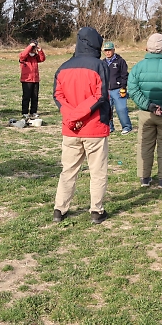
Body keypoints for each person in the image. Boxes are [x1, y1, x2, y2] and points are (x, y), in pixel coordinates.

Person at [52, 27, 112, 225]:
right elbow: (100, 95)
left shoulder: (63, 67)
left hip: (71, 129)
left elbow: (58, 96)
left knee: (68, 170)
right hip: (94, 127)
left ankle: (59, 209)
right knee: (97, 172)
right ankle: (96, 210)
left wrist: (72, 117)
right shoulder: (100, 66)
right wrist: (79, 115)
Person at [127, 33, 162, 189]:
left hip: (146, 114)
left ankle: (144, 178)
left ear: (146, 48)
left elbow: (133, 89)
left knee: (145, 144)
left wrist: (148, 105)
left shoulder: (137, 68)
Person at [103, 41, 133, 134]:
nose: (108, 52)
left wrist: (123, 87)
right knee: (107, 110)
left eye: (109, 50)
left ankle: (126, 127)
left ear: (114, 50)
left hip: (118, 89)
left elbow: (124, 75)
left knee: (121, 109)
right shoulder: (102, 62)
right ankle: (110, 127)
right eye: (106, 50)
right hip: (106, 90)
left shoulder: (120, 61)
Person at [19, 39, 45, 120]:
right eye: (33, 48)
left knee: (35, 97)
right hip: (27, 80)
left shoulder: (36, 57)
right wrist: (30, 46)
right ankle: (25, 112)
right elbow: (23, 55)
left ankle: (33, 111)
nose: (34, 49)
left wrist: (40, 50)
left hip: (35, 80)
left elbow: (42, 59)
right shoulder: (25, 57)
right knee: (26, 97)